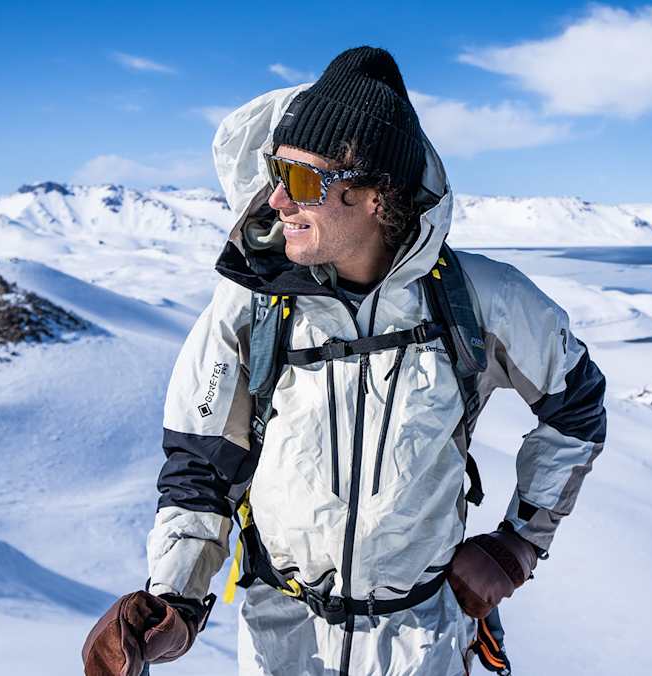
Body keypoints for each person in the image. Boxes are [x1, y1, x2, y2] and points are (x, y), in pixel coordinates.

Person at [82, 45, 607, 676]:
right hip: (284, 643)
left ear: (377, 196)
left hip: (425, 643)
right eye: (278, 172)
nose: (276, 200)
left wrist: (518, 543)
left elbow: (574, 408)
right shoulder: (251, 305)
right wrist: (174, 603)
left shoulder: (480, 299)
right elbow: (202, 467)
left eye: (302, 181)